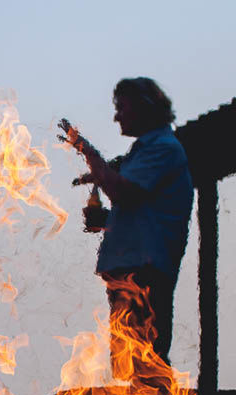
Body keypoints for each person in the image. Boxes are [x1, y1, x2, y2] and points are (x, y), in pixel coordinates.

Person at [59, 78, 193, 378]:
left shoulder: (163, 148)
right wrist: (107, 222)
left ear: (145, 109)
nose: (117, 116)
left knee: (147, 361)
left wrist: (88, 152)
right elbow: (140, 211)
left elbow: (123, 191)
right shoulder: (145, 151)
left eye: (122, 108)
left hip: (143, 271)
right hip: (129, 269)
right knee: (128, 363)